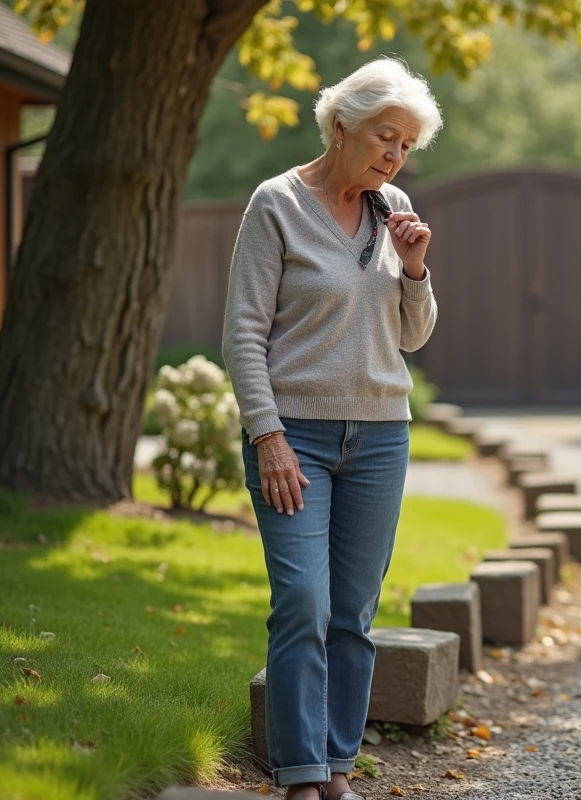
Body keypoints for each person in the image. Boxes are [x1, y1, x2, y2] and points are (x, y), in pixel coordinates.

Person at [221, 57, 441, 800]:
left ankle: (338, 769)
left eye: (406, 145)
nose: (395, 155)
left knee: (352, 613)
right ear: (341, 125)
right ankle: (300, 776)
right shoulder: (276, 204)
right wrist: (267, 436)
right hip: (296, 439)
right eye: (386, 137)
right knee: (303, 605)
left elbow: (412, 337)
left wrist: (415, 269)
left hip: (380, 439)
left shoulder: (393, 208)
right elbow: (244, 333)